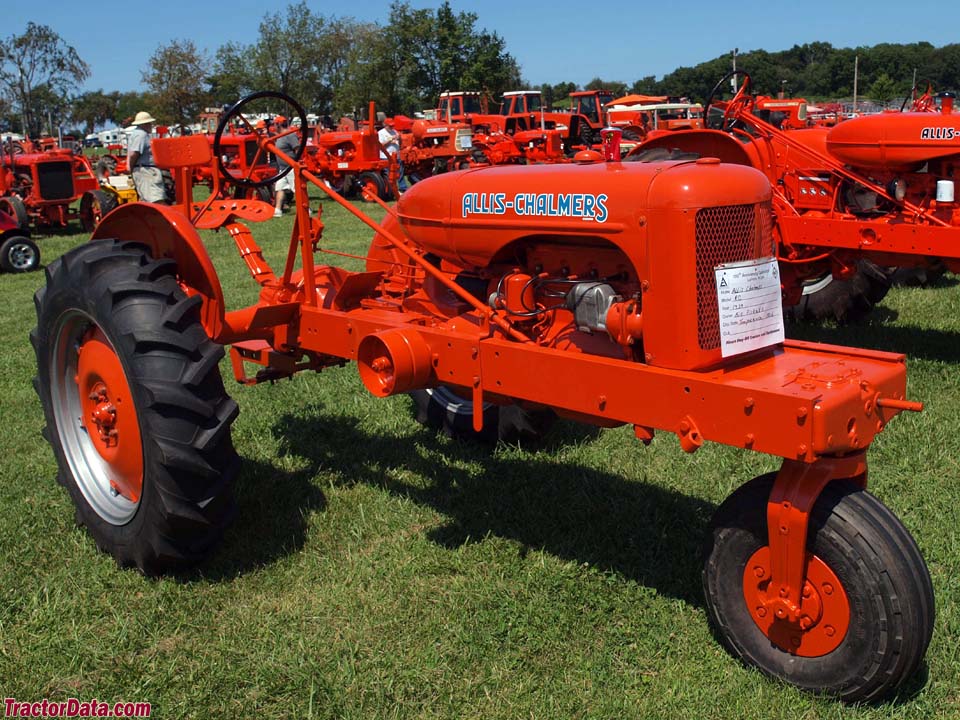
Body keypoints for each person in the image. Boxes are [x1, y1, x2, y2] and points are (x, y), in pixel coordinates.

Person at [126, 111, 166, 203]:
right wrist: (131, 169)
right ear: (144, 124)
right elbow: (134, 153)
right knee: (156, 200)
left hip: (144, 170)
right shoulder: (141, 135)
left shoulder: (138, 133)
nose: (151, 125)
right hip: (146, 171)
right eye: (149, 123)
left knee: (149, 200)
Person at [272, 115, 303, 217]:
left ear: (278, 124)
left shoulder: (290, 135)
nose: (273, 126)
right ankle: (278, 210)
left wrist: (297, 163)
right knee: (279, 188)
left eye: (275, 124)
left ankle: (306, 209)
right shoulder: (279, 136)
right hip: (283, 169)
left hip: (291, 167)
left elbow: (297, 149)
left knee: (297, 189)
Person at [378, 118, 407, 192]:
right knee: (388, 174)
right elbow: (381, 145)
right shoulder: (381, 133)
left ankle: (402, 187)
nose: (391, 127)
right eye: (390, 126)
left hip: (396, 155)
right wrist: (391, 139)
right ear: (385, 125)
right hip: (386, 157)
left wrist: (399, 138)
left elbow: (400, 144)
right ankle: (390, 189)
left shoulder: (394, 131)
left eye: (392, 126)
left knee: (400, 172)